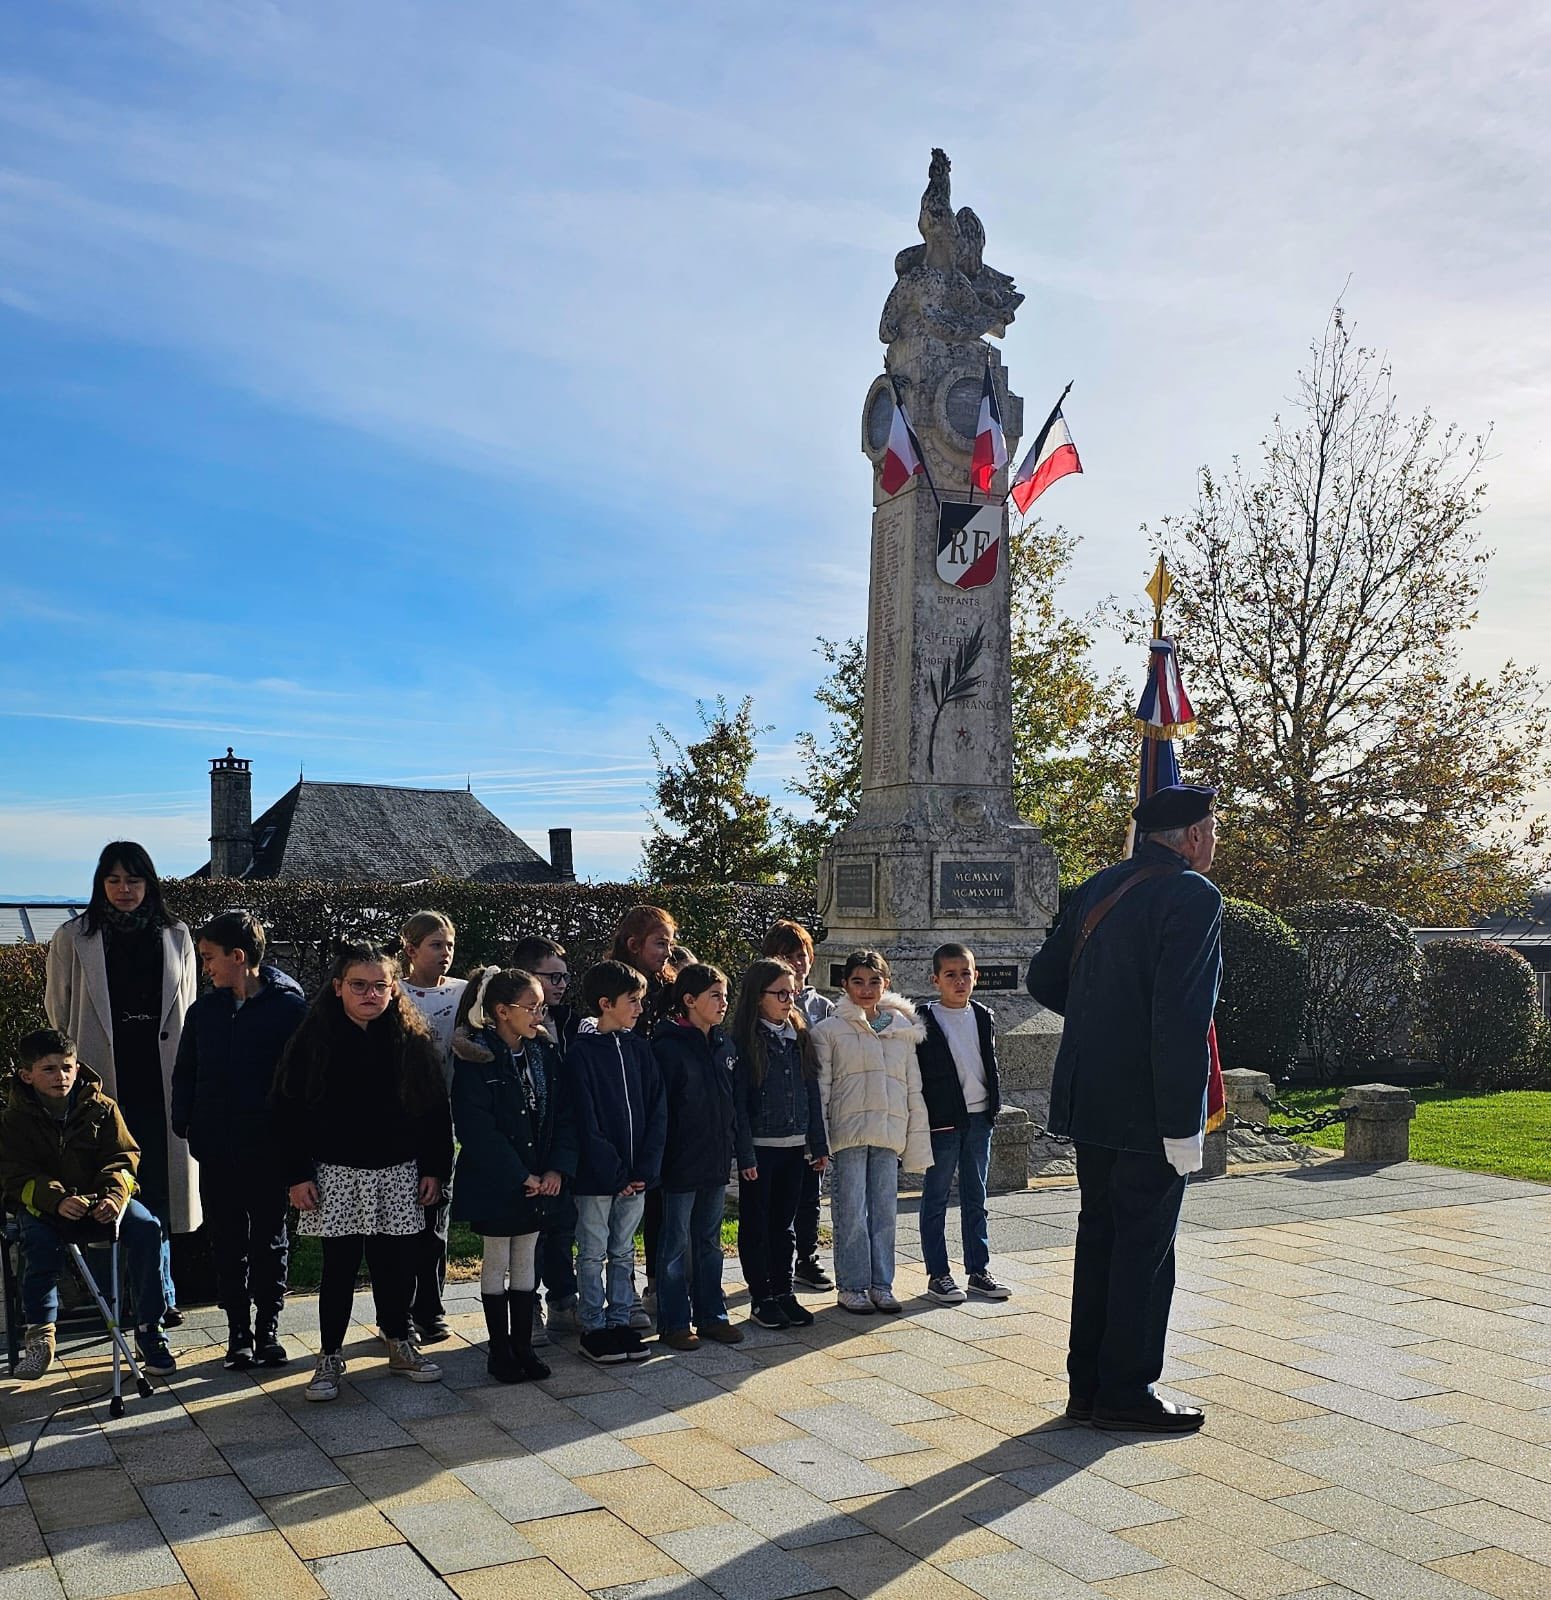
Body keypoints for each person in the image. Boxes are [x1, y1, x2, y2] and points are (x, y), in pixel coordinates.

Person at [1025, 783, 1222, 1435]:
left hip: (1091, 1097)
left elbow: (1045, 980)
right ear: (1191, 836)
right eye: (1212, 828)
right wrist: (1179, 1123)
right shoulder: (1191, 895)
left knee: (1101, 1238)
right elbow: (1180, 1015)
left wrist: (1102, 1025)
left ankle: (1089, 1387)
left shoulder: (1103, 884)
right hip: (1146, 1107)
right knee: (1142, 1248)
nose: (1214, 839)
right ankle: (1125, 1392)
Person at [272, 943, 453, 1402]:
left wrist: (435, 1169)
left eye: (379, 986)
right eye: (358, 985)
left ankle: (398, 1340)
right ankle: (330, 1354)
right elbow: (286, 1113)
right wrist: (296, 1173)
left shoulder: (413, 1043)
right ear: (338, 988)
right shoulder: (312, 1041)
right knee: (339, 1268)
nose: (369, 994)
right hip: (337, 1174)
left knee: (397, 1265)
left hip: (399, 1173)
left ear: (394, 990)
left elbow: (435, 1112)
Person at [44, 841, 197, 1325]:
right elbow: (58, 1007)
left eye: (133, 880)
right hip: (100, 1081)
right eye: (113, 880)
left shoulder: (176, 934)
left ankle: (160, 1296)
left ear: (149, 882)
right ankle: (119, 1298)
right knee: (106, 1184)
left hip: (162, 1079)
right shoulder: (74, 936)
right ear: (100, 885)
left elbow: (188, 1006)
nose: (124, 890)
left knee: (159, 1189)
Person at [171, 911, 306, 1369]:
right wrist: (184, 1121)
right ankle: (237, 1334)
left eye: (210, 958)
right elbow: (186, 1071)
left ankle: (268, 1328)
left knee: (269, 1239)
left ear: (238, 956)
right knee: (226, 1241)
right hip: (215, 1145)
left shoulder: (289, 1009)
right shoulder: (204, 1011)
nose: (205, 967)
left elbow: (299, 1082)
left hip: (268, 1146)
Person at [1, 1028, 177, 1380]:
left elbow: (125, 1157)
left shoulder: (102, 1108)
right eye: (48, 1069)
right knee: (38, 1242)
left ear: (77, 1067)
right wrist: (57, 1199)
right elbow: (13, 1172)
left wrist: (113, 1196)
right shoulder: (12, 1119)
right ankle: (40, 1335)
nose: (60, 1076)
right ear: (27, 1075)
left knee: (147, 1228)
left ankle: (149, 1327)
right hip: (47, 1207)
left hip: (101, 1200)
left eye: (67, 1067)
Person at [450, 967, 576, 1383]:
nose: (540, 1013)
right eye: (532, 1006)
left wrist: (555, 1167)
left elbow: (562, 1113)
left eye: (542, 1005)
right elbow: (476, 1128)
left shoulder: (543, 1052)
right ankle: (499, 1348)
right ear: (502, 1011)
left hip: (540, 1177)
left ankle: (522, 1345)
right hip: (499, 1181)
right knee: (497, 1258)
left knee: (526, 1259)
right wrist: (519, 1174)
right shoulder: (476, 1055)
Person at [810, 950, 930, 1315]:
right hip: (848, 1134)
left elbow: (912, 1087)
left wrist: (915, 1138)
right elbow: (823, 1087)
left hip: (887, 1133)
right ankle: (852, 1285)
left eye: (874, 981)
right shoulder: (828, 1031)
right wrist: (821, 1137)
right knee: (850, 1210)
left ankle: (882, 1283)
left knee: (884, 1212)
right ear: (844, 984)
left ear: (886, 984)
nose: (866, 989)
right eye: (858, 981)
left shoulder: (901, 1030)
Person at [567, 959, 666, 1364]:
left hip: (636, 1179)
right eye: (633, 1001)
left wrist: (643, 1169)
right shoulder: (581, 1053)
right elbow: (585, 1119)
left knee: (624, 1250)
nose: (640, 1009)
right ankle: (592, 1324)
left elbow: (657, 1109)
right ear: (606, 1004)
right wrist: (615, 1173)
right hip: (597, 1179)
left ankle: (620, 1320)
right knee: (592, 1251)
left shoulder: (640, 1049)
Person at [731, 958, 829, 1330]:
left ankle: (784, 1291)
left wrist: (817, 1144)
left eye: (793, 993)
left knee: (784, 1224)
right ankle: (762, 1297)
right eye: (781, 994)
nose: (790, 1000)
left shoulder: (798, 1035)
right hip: (761, 1146)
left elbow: (811, 1091)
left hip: (795, 1145)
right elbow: (738, 1104)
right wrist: (745, 1152)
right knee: (757, 1223)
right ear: (759, 997)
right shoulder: (744, 1042)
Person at [650, 963, 743, 1351]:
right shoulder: (667, 1047)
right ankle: (674, 1322)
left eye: (725, 995)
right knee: (675, 1244)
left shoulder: (724, 1045)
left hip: (715, 1161)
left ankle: (712, 1315)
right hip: (679, 1163)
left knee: (709, 1241)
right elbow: (660, 1111)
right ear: (689, 1001)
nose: (723, 1004)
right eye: (714, 996)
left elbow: (733, 1103)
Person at [916, 943, 1010, 1306]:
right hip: (943, 1122)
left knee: (976, 1196)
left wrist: (992, 1108)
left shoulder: (983, 1015)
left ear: (976, 976)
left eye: (966, 973)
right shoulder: (923, 1017)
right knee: (936, 1196)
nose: (959, 981)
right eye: (950, 975)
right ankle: (938, 1273)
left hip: (979, 1118)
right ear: (936, 979)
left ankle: (978, 1270)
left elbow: (988, 1062)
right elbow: (881, 1026)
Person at [606, 905, 679, 1326]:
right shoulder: (611, 985)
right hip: (623, 1106)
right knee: (622, 1206)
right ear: (634, 944)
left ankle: (655, 1283)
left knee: (659, 1202)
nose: (666, 952)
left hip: (659, 1105)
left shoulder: (669, 988)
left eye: (669, 943)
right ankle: (621, 1291)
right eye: (659, 943)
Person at [397, 911, 467, 1346]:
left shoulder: (463, 993)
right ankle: (399, 1308)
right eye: (435, 945)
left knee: (436, 1216)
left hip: (445, 1119)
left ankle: (432, 1307)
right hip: (402, 1120)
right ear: (411, 949)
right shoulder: (394, 992)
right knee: (403, 1219)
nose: (445, 954)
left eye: (450, 945)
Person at [510, 935, 581, 1345]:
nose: (560, 985)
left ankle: (563, 1302)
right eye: (552, 976)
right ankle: (527, 1306)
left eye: (565, 977)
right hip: (525, 1152)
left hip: (562, 1145)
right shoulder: (511, 1034)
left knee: (562, 1230)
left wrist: (562, 1161)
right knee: (529, 1237)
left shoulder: (571, 1023)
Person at [761, 921, 833, 1292]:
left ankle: (807, 1256)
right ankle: (776, 1267)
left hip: (815, 1111)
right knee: (779, 1201)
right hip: (779, 1119)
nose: (797, 961)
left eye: (801, 954)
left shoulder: (823, 1007)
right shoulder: (764, 1005)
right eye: (788, 955)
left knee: (811, 1193)